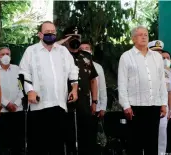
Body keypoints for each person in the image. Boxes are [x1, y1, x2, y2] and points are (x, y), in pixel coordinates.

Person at [19, 21, 79, 155]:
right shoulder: (31, 51)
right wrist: (30, 91)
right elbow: (22, 74)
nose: (51, 35)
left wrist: (74, 89)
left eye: (53, 32)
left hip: (59, 105)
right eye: (47, 32)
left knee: (57, 146)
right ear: (40, 34)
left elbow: (73, 71)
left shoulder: (63, 51)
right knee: (38, 146)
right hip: (38, 106)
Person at [117, 26, 167, 155]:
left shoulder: (156, 56)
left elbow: (161, 81)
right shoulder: (126, 56)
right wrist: (126, 105)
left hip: (154, 105)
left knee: (152, 144)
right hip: (135, 107)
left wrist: (164, 103)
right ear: (133, 38)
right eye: (140, 35)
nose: (144, 37)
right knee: (135, 145)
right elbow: (122, 83)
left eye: (146, 34)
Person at [58, 27, 99, 155]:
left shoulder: (86, 57)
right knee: (67, 134)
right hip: (65, 101)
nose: (75, 40)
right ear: (65, 39)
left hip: (84, 102)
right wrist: (63, 42)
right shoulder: (58, 56)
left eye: (77, 38)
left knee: (85, 134)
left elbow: (93, 80)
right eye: (72, 37)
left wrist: (94, 101)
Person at [79, 41, 108, 154]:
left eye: (87, 48)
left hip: (95, 107)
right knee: (81, 137)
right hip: (81, 107)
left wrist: (103, 106)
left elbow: (102, 88)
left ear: (91, 51)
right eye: (82, 48)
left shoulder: (98, 67)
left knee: (92, 137)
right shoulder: (75, 65)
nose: (85, 50)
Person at [0, 47, 24, 154]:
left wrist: (16, 104)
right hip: (2, 111)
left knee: (17, 142)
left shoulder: (17, 69)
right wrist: (6, 104)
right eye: (2, 54)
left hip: (17, 111)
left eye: (7, 53)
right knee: (3, 142)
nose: (5, 56)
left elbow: (21, 87)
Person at [148, 40, 171, 155]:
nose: (158, 55)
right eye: (155, 52)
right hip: (146, 105)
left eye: (160, 52)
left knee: (162, 136)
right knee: (148, 136)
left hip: (161, 106)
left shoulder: (166, 70)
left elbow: (167, 89)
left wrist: (167, 107)